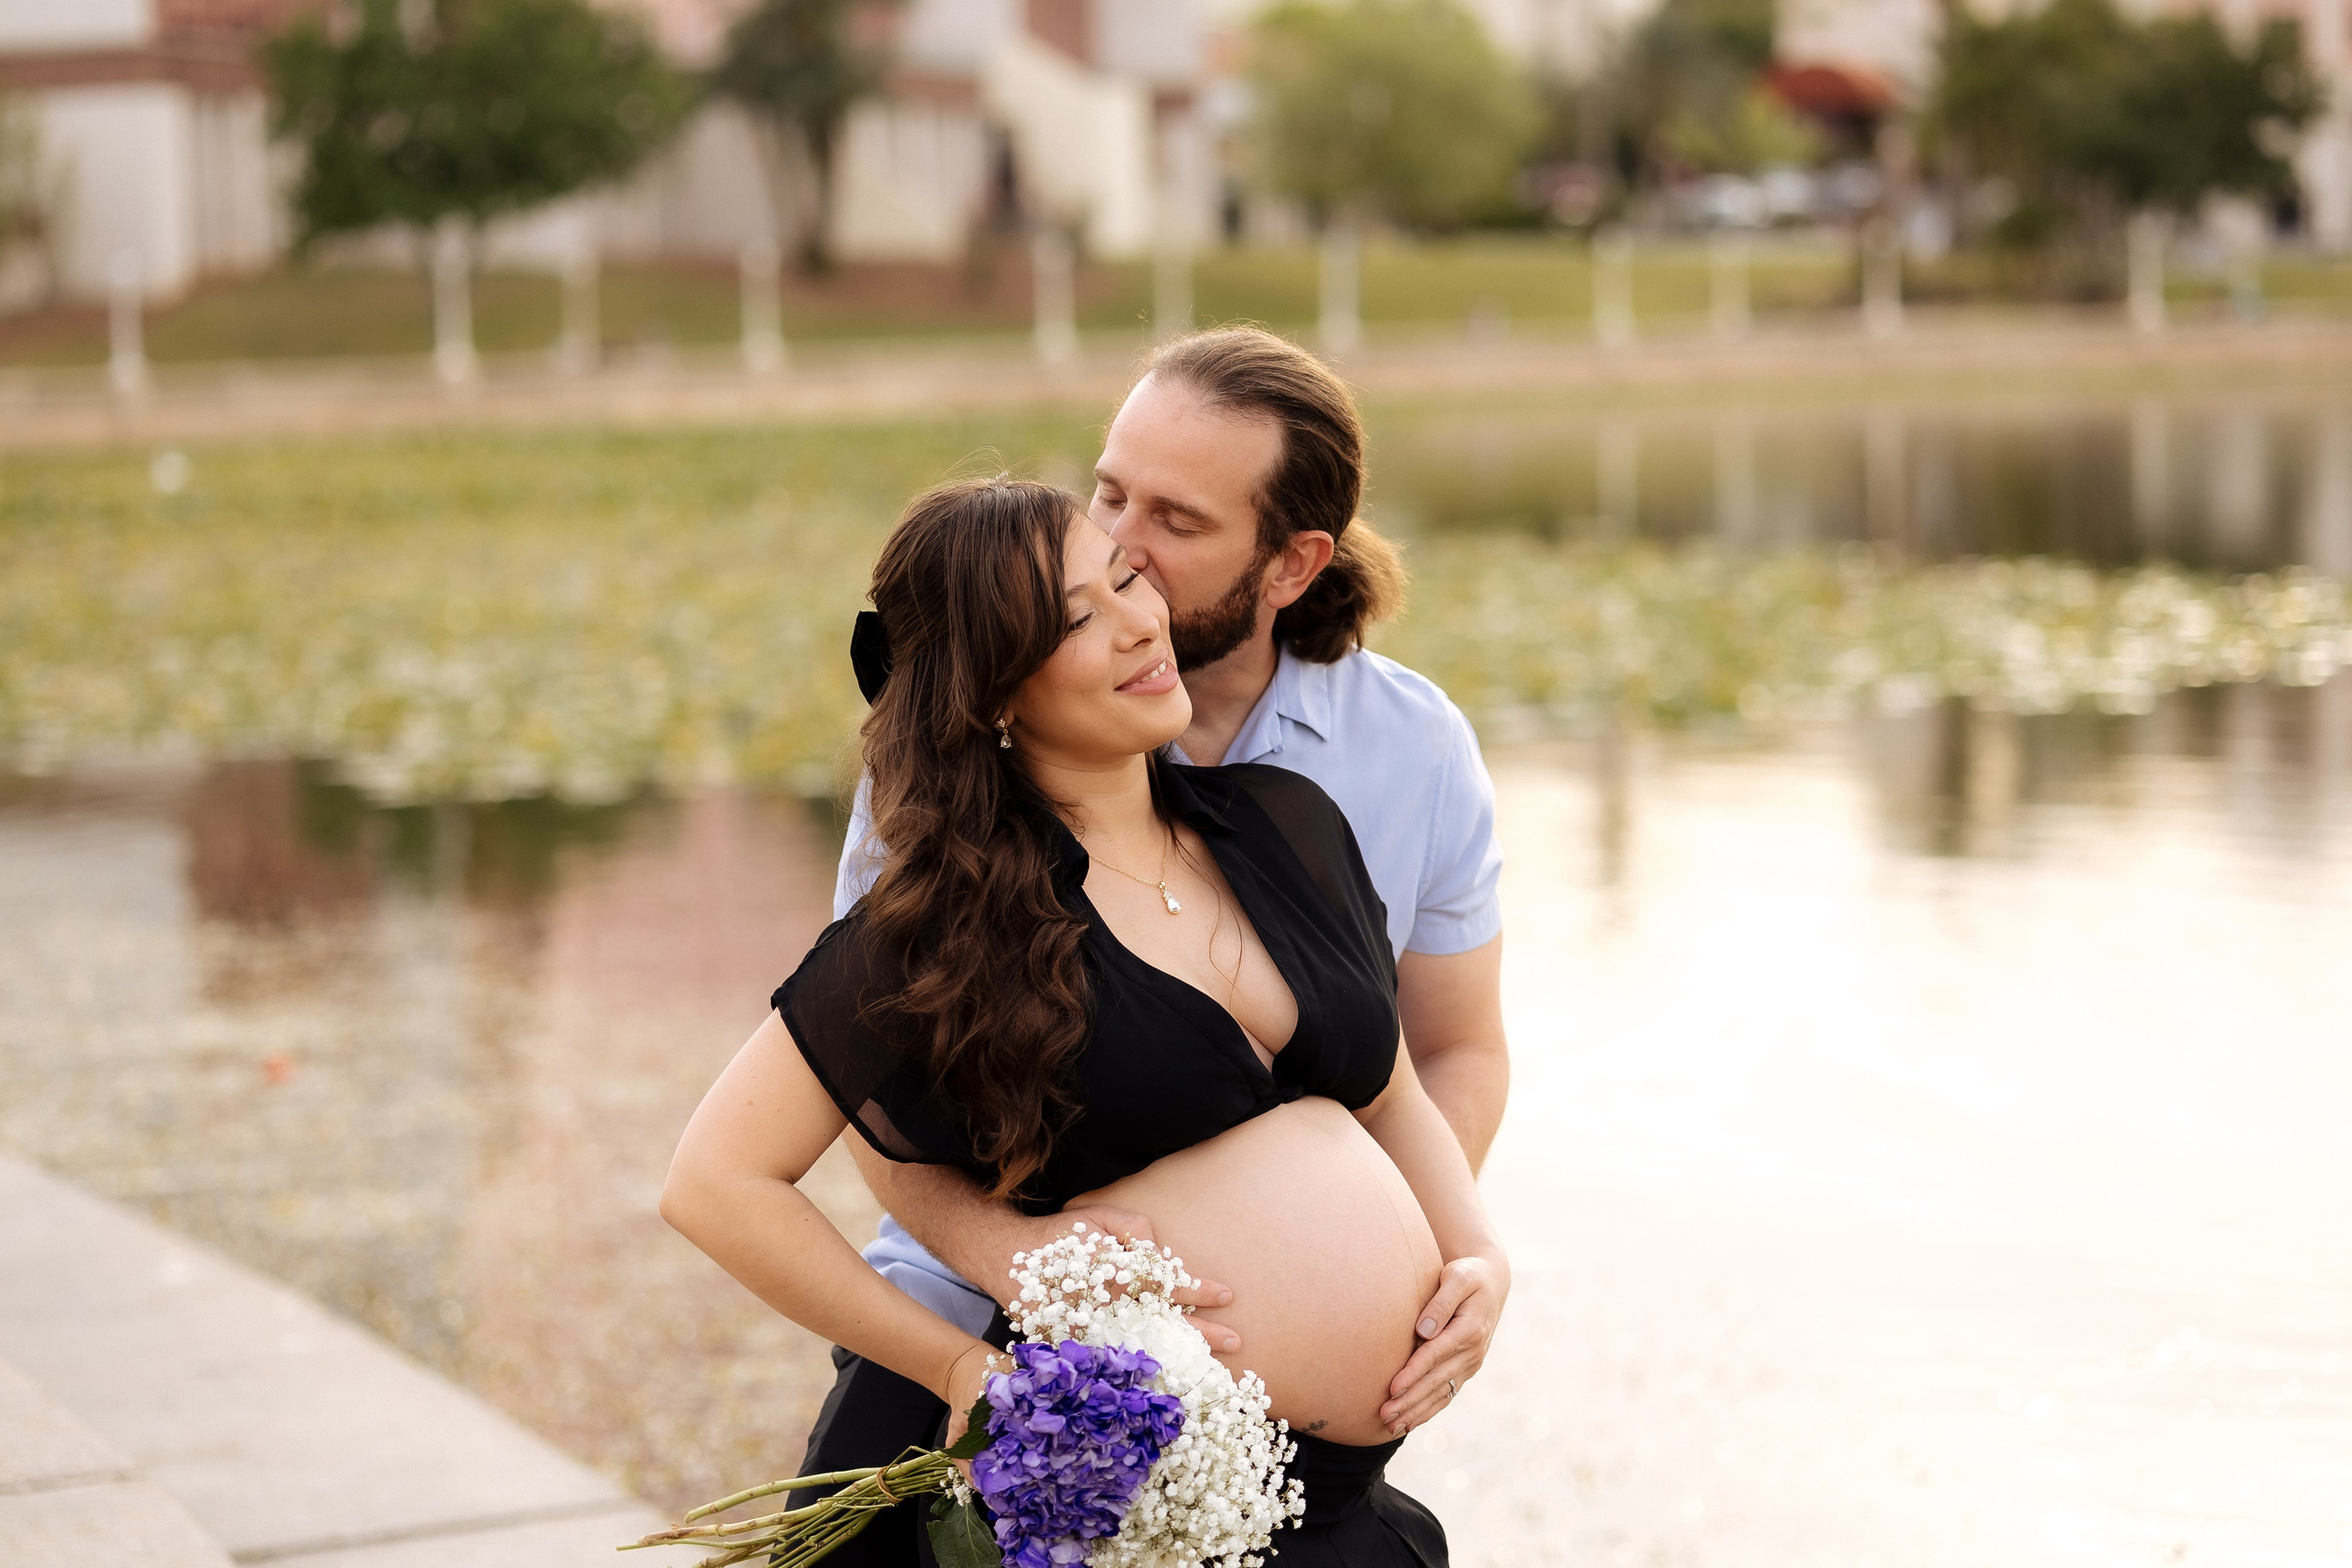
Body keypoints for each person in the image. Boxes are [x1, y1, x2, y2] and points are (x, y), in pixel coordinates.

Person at [662, 477, 1509, 1566]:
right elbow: (714, 1183)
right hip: (1120, 1501)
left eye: (1125, 580)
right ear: (994, 693)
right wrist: (964, 1372)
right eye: (1076, 618)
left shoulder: (1283, 826)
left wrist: (1478, 1254)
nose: (1138, 624)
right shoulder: (944, 925)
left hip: (1334, 1507)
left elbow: (1387, 1088)